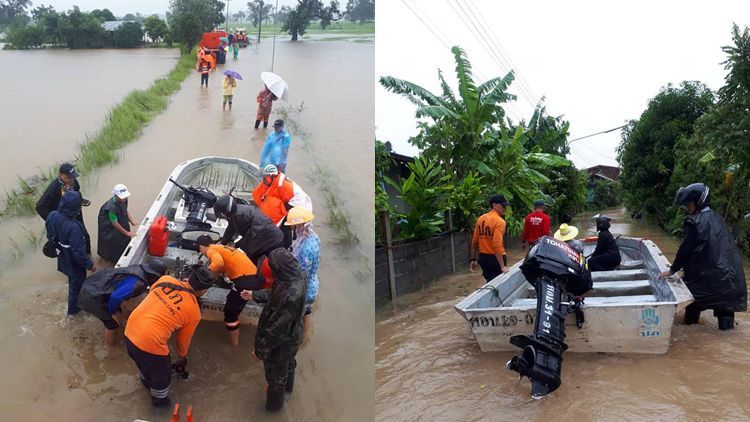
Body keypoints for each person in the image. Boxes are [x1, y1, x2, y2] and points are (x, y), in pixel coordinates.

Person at [124, 265, 215, 408]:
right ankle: (160, 407)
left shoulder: (165, 279)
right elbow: (182, 342)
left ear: (189, 277)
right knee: (162, 377)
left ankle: (146, 384)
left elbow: (155, 302)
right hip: (149, 343)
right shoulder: (194, 312)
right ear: (203, 290)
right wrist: (182, 357)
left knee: (144, 365)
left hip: (130, 332)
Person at [659, 183, 747, 330]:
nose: (687, 207)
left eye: (689, 203)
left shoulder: (694, 222)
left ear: (698, 202)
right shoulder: (718, 218)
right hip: (732, 282)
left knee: (691, 314)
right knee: (726, 325)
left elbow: (684, 250)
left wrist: (672, 270)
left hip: (707, 283)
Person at [248, 248, 307, 411]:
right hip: (294, 334)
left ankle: (273, 410)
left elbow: (275, 329)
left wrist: (260, 351)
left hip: (282, 343)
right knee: (289, 363)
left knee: (276, 379)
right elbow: (275, 292)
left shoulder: (290, 296)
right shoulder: (297, 275)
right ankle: (289, 390)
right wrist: (254, 294)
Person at [78, 258, 167, 346]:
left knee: (117, 310)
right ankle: (109, 348)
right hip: (92, 295)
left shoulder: (137, 269)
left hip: (92, 283)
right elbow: (115, 298)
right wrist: (114, 312)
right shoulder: (137, 284)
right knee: (112, 324)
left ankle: (117, 325)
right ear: (154, 276)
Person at [196, 234, 264, 347]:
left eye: (199, 249)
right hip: (255, 277)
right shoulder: (221, 247)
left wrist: (204, 276)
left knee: (230, 313)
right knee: (233, 299)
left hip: (245, 281)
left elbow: (217, 264)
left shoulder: (210, 250)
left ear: (201, 247)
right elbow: (221, 268)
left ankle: (234, 346)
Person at [45, 191, 96, 315]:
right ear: (74, 208)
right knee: (76, 287)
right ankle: (73, 314)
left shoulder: (52, 215)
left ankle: (75, 307)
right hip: (73, 262)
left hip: (62, 256)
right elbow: (78, 252)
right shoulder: (73, 226)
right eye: (79, 205)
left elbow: (49, 234)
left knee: (72, 282)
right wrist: (90, 264)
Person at [253, 164, 313, 247]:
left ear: (272, 176)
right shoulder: (275, 182)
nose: (263, 180)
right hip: (291, 202)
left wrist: (283, 212)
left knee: (286, 225)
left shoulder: (284, 185)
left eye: (264, 178)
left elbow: (294, 201)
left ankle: (286, 245)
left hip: (300, 205)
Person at [36, 163, 91, 253]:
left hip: (76, 215)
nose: (70, 179)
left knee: (85, 237)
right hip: (63, 220)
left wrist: (80, 203)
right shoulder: (54, 188)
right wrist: (53, 219)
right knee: (67, 245)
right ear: (60, 175)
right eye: (68, 177)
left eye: (72, 177)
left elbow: (77, 193)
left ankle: (89, 258)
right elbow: (40, 207)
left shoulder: (74, 182)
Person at [213, 194, 284, 264]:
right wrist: (222, 243)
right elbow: (230, 229)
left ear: (227, 211)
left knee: (255, 262)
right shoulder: (235, 213)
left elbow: (249, 237)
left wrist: (236, 245)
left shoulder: (240, 216)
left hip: (270, 239)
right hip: (263, 235)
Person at [286, 207, 320, 338]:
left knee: (295, 317)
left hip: (305, 289)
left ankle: (299, 338)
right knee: (307, 312)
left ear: (299, 225)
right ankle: (305, 337)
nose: (293, 229)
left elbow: (301, 273)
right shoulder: (313, 237)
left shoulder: (305, 248)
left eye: (294, 226)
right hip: (313, 283)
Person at [470, 195, 511, 281]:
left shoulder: (481, 219)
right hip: (495, 259)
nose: (505, 208)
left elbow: (475, 241)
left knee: (490, 281)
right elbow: (497, 244)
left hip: (483, 258)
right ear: (494, 205)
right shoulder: (500, 222)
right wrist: (502, 266)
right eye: (503, 205)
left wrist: (473, 259)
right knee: (498, 283)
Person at [97, 184, 137, 264]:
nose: (124, 198)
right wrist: (126, 232)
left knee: (124, 240)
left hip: (121, 220)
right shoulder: (111, 207)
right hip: (109, 227)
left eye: (125, 196)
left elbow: (125, 210)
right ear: (115, 195)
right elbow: (114, 223)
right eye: (122, 197)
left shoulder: (124, 199)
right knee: (112, 245)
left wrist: (132, 222)